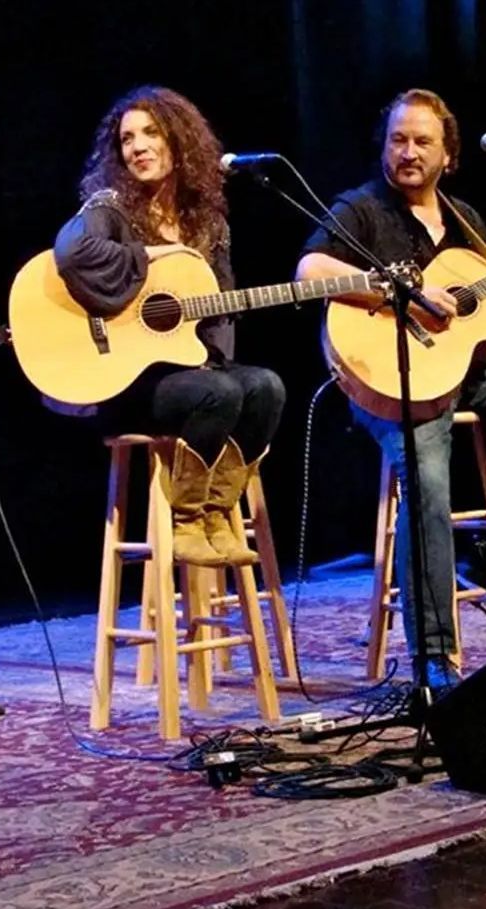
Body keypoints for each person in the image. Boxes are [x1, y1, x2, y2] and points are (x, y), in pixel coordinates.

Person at [296, 88, 486, 691]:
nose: (408, 152)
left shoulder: (465, 222)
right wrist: (406, 295)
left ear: (448, 155)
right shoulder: (362, 208)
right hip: (391, 377)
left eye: (422, 142)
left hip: (463, 371)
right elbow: (311, 271)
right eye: (398, 140)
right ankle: (436, 660)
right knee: (430, 485)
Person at [52, 85, 286, 567]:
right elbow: (72, 253)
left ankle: (216, 514)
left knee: (266, 387)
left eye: (150, 134)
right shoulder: (111, 205)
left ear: (178, 140)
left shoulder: (207, 222)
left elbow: (219, 307)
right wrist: (150, 255)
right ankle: (186, 522)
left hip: (189, 373)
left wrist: (214, 358)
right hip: (125, 381)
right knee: (218, 393)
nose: (137, 147)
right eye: (127, 139)